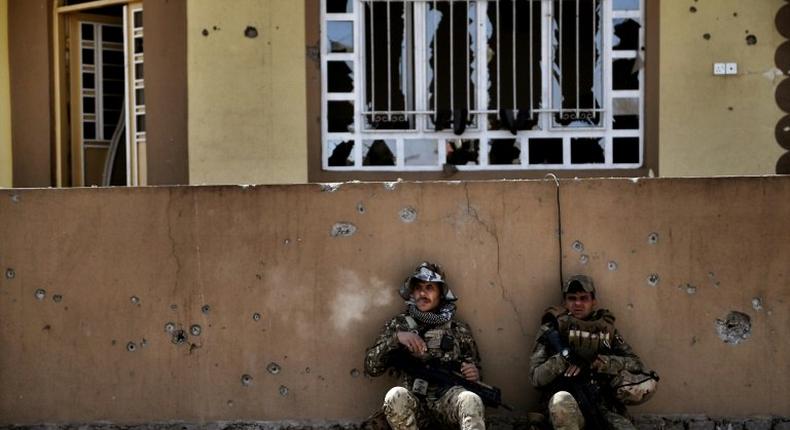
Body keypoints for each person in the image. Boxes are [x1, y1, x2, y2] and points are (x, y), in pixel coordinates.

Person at [364, 262, 486, 430]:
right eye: (418, 288)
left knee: (470, 399)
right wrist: (396, 338)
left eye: (429, 288)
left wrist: (474, 373)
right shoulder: (398, 325)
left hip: (447, 402)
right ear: (412, 292)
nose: (422, 293)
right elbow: (372, 367)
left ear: (440, 294)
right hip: (413, 404)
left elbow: (475, 370)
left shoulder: (458, 329)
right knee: (395, 396)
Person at [529, 275, 657, 430]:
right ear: (565, 302)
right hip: (566, 404)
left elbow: (635, 364)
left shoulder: (606, 330)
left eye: (584, 298)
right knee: (561, 404)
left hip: (601, 404)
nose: (578, 303)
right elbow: (536, 378)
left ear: (593, 302)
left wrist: (600, 362)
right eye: (572, 298)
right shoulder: (551, 330)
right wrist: (565, 358)